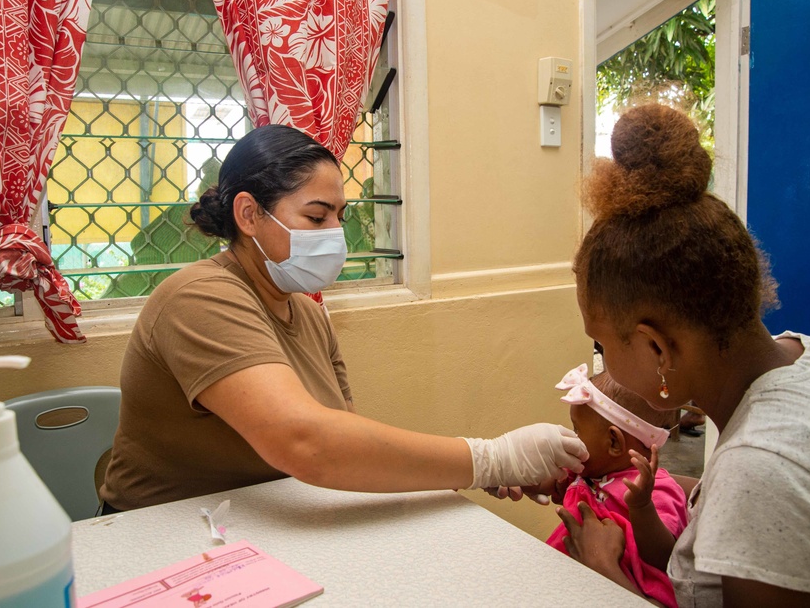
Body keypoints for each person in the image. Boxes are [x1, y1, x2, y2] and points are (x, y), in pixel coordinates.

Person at [99, 124, 588, 512]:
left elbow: (343, 444)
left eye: (340, 215)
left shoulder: (308, 316)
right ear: (248, 216)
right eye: (316, 217)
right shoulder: (198, 299)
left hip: (268, 521)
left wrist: (468, 473)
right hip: (168, 538)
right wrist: (489, 459)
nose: (336, 233)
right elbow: (307, 442)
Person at [562, 104, 810, 606]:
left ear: (657, 347)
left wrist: (604, 571)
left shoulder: (760, 473)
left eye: (602, 345)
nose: (602, 363)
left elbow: (761, 499)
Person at [546, 365, 687, 608]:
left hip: (628, 594)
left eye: (577, 430)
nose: (572, 436)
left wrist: (642, 508)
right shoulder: (591, 468)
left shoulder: (657, 489)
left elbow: (665, 556)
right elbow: (548, 482)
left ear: (613, 442)